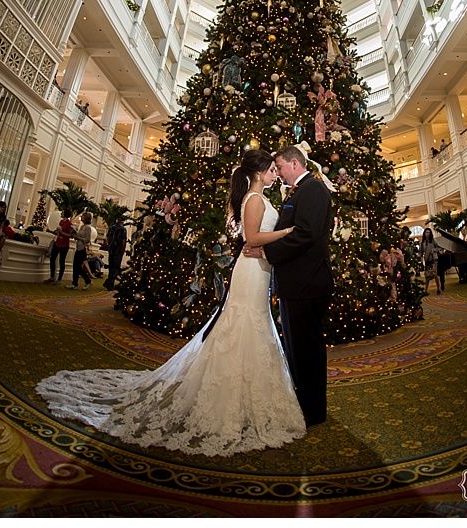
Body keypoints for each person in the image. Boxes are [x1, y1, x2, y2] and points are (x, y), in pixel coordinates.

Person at [36, 149, 305, 455]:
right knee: (243, 324)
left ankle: (245, 396)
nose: (275, 173)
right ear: (258, 173)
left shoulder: (259, 198)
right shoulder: (254, 199)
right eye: (271, 169)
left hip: (259, 270)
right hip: (251, 269)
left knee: (252, 324)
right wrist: (288, 231)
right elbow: (253, 238)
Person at [243, 144, 335, 427]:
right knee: (298, 348)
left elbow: (306, 234)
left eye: (279, 167)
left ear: (295, 164)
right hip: (296, 283)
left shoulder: (314, 190)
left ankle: (313, 411)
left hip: (307, 283)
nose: (277, 172)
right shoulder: (300, 191)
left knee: (307, 350)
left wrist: (268, 253)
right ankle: (304, 403)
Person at [45, 210, 74, 284]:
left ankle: (59, 279)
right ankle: (52, 276)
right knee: (52, 259)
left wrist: (62, 233)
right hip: (57, 243)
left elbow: (71, 236)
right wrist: (51, 231)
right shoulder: (61, 222)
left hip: (64, 245)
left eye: (62, 212)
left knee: (62, 261)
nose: (61, 213)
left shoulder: (69, 224)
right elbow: (57, 232)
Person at [68, 211, 96, 289]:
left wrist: (78, 238)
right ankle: (75, 283)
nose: (81, 217)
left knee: (78, 267)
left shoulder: (87, 228)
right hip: (78, 247)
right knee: (75, 266)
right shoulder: (82, 226)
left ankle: (87, 281)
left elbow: (87, 240)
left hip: (82, 249)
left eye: (83, 216)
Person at [103, 216, 128, 290]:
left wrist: (109, 245)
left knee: (111, 266)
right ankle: (109, 282)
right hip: (118, 250)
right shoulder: (123, 229)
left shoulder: (111, 227)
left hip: (111, 249)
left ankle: (110, 283)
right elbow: (123, 240)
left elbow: (107, 237)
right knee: (115, 267)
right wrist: (123, 250)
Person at [420, 227, 442, 295]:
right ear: (424, 233)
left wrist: (434, 251)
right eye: (426, 232)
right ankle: (425, 290)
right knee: (427, 276)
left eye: (429, 232)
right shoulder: (422, 242)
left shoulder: (433, 241)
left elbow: (439, 247)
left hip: (433, 259)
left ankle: (438, 289)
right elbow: (420, 251)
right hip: (427, 260)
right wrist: (419, 257)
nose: (428, 234)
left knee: (435, 274)